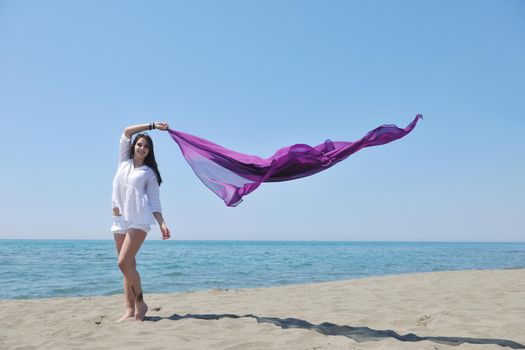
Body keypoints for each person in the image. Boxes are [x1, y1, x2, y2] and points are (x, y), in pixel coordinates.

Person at [111, 122, 171, 321]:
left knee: (123, 263)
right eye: (139, 144)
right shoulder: (123, 161)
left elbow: (154, 202)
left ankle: (141, 303)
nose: (142, 148)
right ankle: (129, 310)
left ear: (149, 151)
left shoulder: (149, 173)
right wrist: (152, 125)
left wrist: (162, 223)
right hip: (119, 219)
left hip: (139, 219)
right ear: (133, 146)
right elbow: (127, 130)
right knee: (129, 267)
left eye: (146, 146)